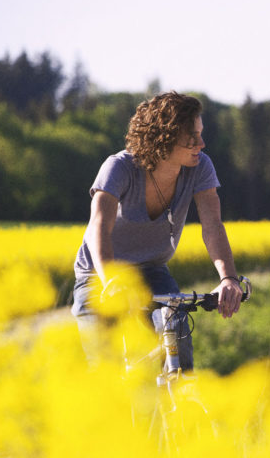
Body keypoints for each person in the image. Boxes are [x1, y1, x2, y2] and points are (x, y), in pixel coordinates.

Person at [71, 91, 244, 371]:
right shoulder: (119, 167)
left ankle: (176, 409)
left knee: (177, 336)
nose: (202, 143)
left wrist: (228, 279)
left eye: (201, 134)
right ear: (165, 136)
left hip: (151, 271)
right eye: (192, 137)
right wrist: (112, 281)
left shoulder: (200, 168)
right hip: (99, 274)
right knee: (105, 370)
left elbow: (213, 226)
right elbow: (98, 228)